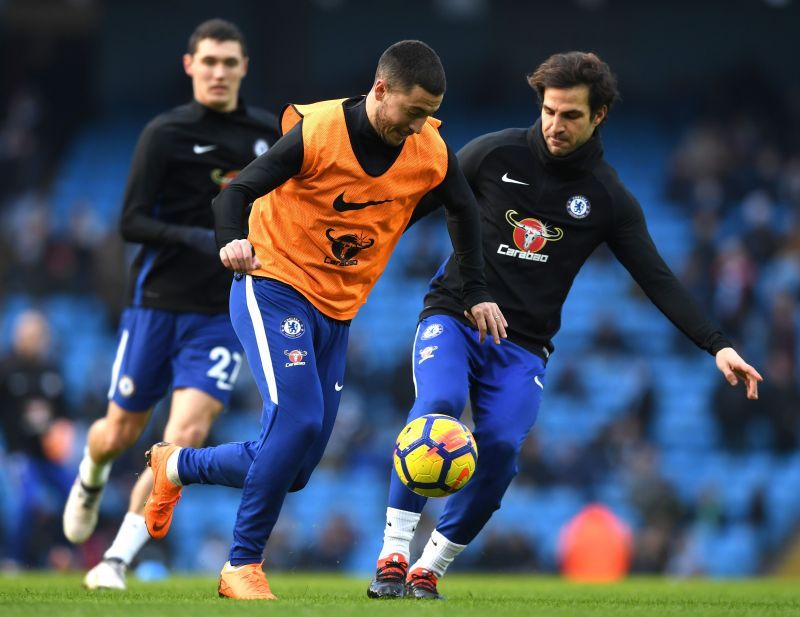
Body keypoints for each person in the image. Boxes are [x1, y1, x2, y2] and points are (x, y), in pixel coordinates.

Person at [366, 51, 763, 600]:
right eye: (549, 110)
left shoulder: (607, 197)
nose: (555, 124)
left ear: (598, 116)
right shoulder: (491, 152)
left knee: (501, 448)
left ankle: (429, 568)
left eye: (571, 115)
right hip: (453, 316)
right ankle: (392, 554)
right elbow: (404, 210)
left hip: (524, 345)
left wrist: (717, 346)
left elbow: (657, 277)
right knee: (437, 408)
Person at [142, 39, 507, 601]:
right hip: (273, 284)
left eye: (427, 115)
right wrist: (232, 242)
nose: (417, 126)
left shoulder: (428, 149)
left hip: (336, 311)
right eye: (411, 112)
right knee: (298, 421)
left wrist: (475, 290)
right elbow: (234, 193)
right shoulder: (318, 133)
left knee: (296, 465)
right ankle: (241, 566)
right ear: (380, 90)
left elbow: (463, 209)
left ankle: (177, 466)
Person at [61, 18, 281, 590]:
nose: (218, 72)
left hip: (220, 313)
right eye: (208, 61)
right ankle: (91, 474)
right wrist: (202, 240)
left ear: (244, 68)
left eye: (229, 62)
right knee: (118, 433)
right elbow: (130, 221)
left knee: (183, 436)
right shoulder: (164, 133)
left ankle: (114, 560)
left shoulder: (266, 136)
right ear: (190, 65)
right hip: (157, 304)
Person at [0, 310, 72, 567]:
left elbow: (64, 414)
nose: (33, 339)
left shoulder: (51, 370)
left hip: (49, 455)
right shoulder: (6, 369)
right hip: (20, 453)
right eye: (28, 334)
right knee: (29, 502)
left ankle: (62, 551)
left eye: (38, 334)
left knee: (76, 494)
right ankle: (13, 559)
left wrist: (61, 435)